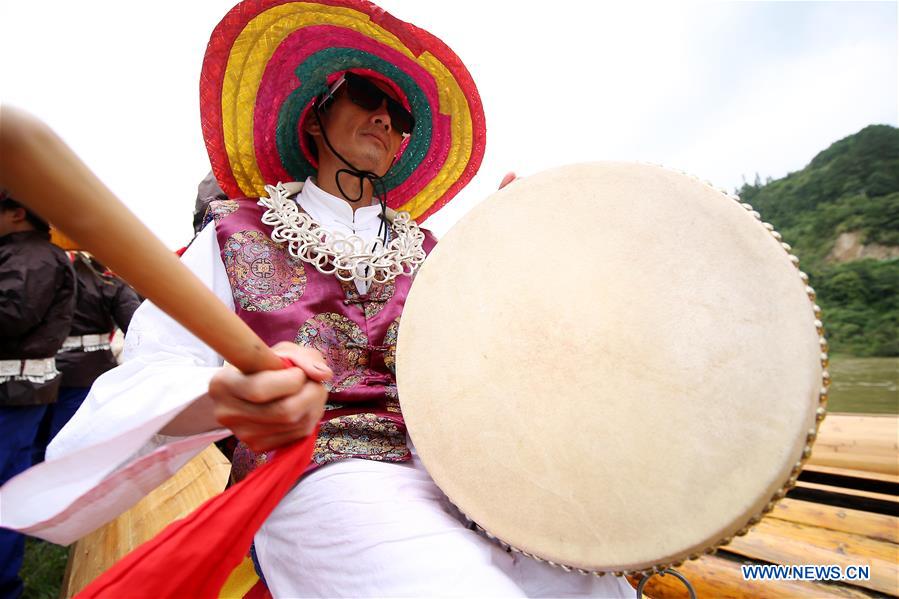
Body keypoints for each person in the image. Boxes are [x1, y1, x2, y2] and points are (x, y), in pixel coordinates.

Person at [1, 2, 631, 596]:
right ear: (315, 115)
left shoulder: (436, 252)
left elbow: (496, 366)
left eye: (402, 115)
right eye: (367, 95)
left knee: (598, 583)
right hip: (326, 473)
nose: (387, 118)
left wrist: (514, 255)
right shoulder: (233, 234)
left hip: (473, 472)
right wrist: (222, 396)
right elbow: (150, 373)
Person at [0, 193, 76, 598]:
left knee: (11, 483)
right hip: (20, 387)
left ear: (16, 213)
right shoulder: (22, 255)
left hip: (17, 389)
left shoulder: (34, 256)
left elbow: (11, 316)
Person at [31, 252, 141, 463]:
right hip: (88, 374)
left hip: (32, 373)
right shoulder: (107, 280)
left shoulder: (36, 270)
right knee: (71, 442)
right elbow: (136, 328)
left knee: (33, 443)